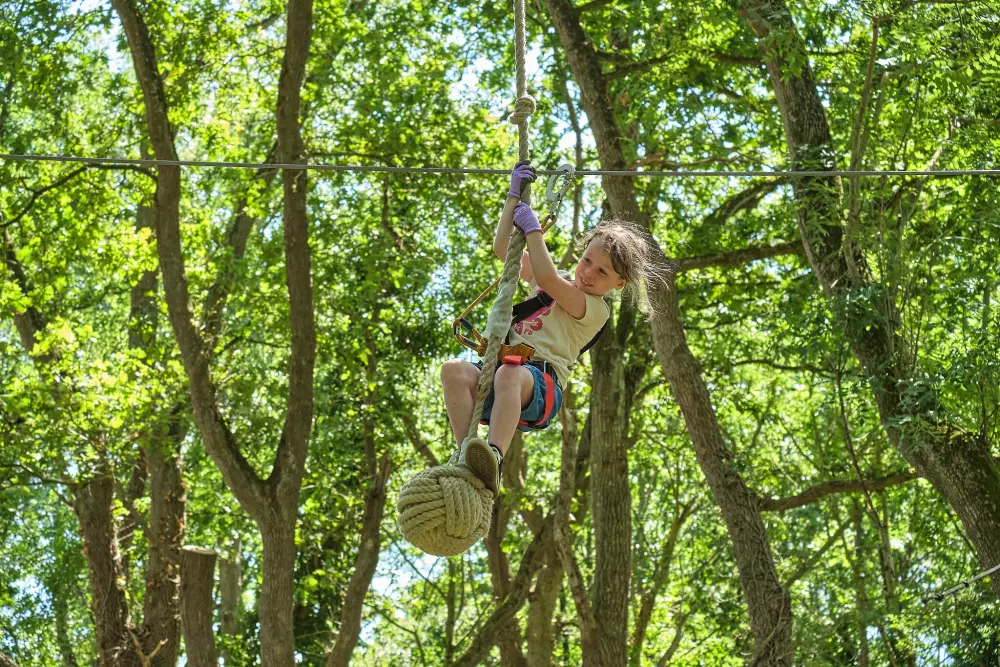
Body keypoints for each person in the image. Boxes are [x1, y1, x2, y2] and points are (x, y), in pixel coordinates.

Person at [441, 161, 669, 494]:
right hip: (505, 378)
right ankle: (468, 460)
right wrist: (512, 198)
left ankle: (495, 457)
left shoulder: (595, 310)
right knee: (454, 371)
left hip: (540, 388)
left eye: (602, 272)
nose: (588, 273)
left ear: (619, 284)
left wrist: (533, 229)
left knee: (508, 372)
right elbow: (504, 251)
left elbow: (546, 277)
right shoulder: (560, 281)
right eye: (587, 260)